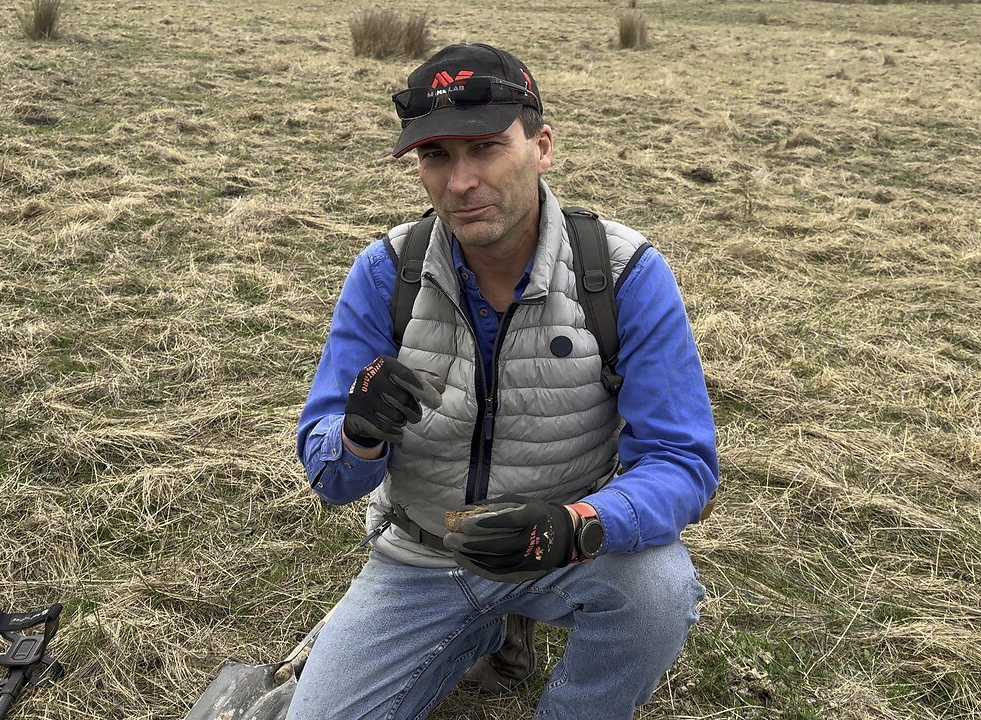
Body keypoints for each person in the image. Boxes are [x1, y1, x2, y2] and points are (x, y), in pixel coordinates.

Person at [289, 43, 718, 720]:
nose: (460, 182)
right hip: (421, 556)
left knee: (658, 590)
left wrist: (576, 526)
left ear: (542, 146)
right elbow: (330, 476)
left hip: (563, 548)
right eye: (436, 157)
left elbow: (682, 462)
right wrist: (359, 434)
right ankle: (483, 628)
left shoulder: (623, 272)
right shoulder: (385, 274)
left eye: (485, 148)